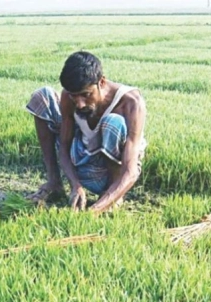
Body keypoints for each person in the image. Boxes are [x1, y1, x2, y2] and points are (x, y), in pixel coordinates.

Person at [25, 51, 147, 213]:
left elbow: (130, 171)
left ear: (101, 82)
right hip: (81, 161)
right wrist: (75, 185)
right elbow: (64, 148)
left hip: (107, 174)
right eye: (74, 96)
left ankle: (112, 195)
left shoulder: (131, 103)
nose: (80, 104)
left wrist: (95, 210)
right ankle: (54, 183)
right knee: (42, 96)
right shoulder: (69, 97)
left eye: (86, 95)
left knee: (112, 123)